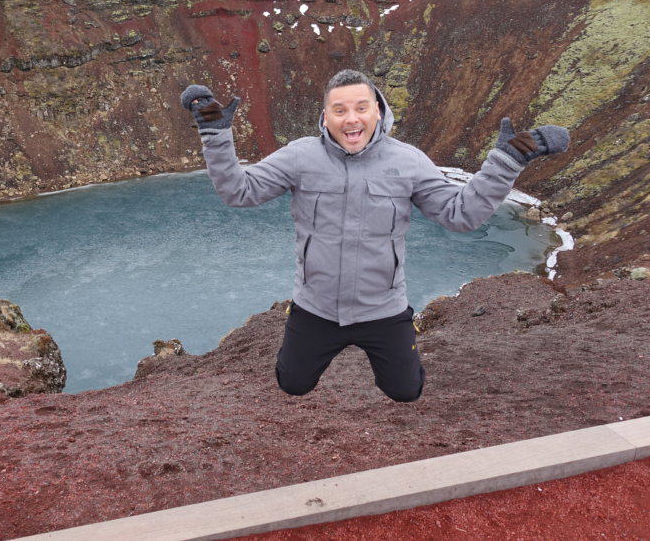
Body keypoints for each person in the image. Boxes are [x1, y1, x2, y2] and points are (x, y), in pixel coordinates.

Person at [180, 69, 569, 402]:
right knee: (293, 385)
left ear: (378, 111)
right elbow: (238, 191)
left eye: (361, 107)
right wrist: (216, 134)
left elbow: (460, 214)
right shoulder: (300, 157)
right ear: (326, 116)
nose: (352, 119)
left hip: (382, 309)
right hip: (315, 307)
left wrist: (507, 160)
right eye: (340, 110)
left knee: (406, 392)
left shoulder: (408, 161)